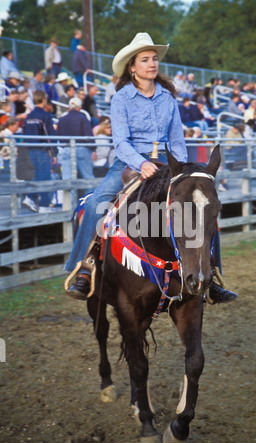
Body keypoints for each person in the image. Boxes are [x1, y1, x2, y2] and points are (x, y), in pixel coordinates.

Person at [65, 32, 238, 305]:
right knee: (96, 202)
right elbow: (120, 142)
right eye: (145, 60)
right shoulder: (121, 98)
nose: (152, 64)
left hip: (169, 165)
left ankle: (212, 273)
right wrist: (142, 163)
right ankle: (84, 268)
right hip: (130, 163)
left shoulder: (168, 98)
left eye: (154, 59)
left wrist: (179, 169)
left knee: (203, 207)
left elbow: (177, 141)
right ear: (132, 67)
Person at [22, 90, 57, 213]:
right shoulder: (45, 115)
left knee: (38, 175)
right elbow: (49, 135)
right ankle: (43, 205)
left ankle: (31, 198)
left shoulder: (29, 116)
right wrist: (54, 153)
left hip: (31, 150)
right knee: (45, 177)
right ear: (44, 100)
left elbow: (24, 133)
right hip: (42, 150)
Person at [56, 96, 95, 187]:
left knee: (67, 179)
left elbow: (58, 136)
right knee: (88, 178)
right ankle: (89, 200)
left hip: (66, 149)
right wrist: (93, 149)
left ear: (69, 107)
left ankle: (69, 201)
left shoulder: (61, 120)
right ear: (80, 108)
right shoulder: (83, 118)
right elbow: (89, 136)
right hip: (82, 149)